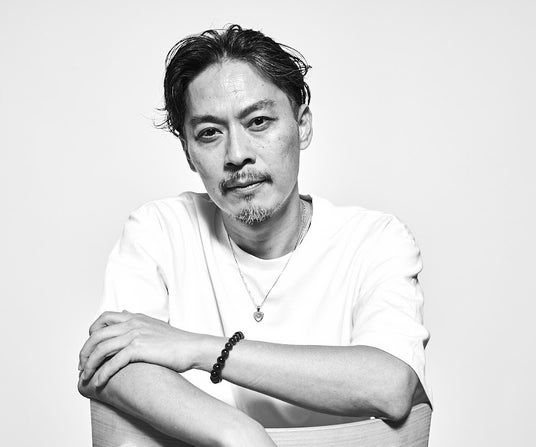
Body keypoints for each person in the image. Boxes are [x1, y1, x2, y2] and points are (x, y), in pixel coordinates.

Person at [78, 24, 431, 446]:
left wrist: (198, 348)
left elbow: (389, 384)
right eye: (209, 133)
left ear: (302, 125)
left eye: (258, 122)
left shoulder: (374, 240)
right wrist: (241, 435)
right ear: (189, 153)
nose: (237, 154)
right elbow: (113, 363)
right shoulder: (159, 231)